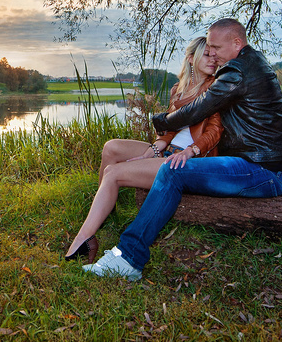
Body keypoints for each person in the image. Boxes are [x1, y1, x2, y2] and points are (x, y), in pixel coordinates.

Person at [83, 18, 282, 281]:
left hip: (262, 170)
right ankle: (123, 250)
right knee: (173, 169)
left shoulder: (237, 71)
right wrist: (164, 140)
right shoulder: (252, 63)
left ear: (237, 43)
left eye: (216, 47)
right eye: (209, 48)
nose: (212, 52)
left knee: (173, 171)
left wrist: (161, 122)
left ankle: (128, 259)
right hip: (256, 165)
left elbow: (200, 108)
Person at [64, 37, 223, 261]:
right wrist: (157, 146)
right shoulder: (178, 89)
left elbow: (215, 131)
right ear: (191, 58)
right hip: (170, 151)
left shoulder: (216, 88)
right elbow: (171, 127)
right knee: (111, 148)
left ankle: (84, 238)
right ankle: (103, 210)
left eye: (215, 56)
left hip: (189, 160)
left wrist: (191, 151)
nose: (213, 60)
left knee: (113, 173)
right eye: (207, 55)